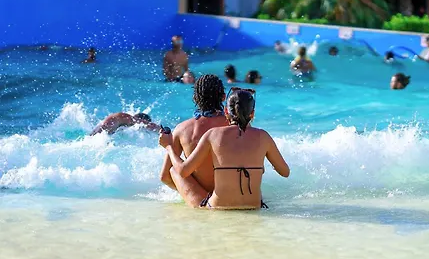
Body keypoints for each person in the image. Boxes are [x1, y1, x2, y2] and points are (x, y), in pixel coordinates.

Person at [159, 88, 290, 209]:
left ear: (226, 111)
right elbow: (285, 172)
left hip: (218, 207)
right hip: (255, 205)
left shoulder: (213, 135)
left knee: (174, 170)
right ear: (252, 114)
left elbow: (183, 171)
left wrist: (169, 146)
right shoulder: (263, 136)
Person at [160, 74, 228, 193]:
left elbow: (165, 177)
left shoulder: (182, 129)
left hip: (201, 198)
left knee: (174, 170)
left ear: (195, 98)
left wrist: (192, 193)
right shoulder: (235, 125)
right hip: (233, 192)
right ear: (223, 97)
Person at [90, 112, 159, 135]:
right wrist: (161, 130)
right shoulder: (129, 118)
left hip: (96, 133)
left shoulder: (123, 124)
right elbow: (148, 124)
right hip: (101, 131)